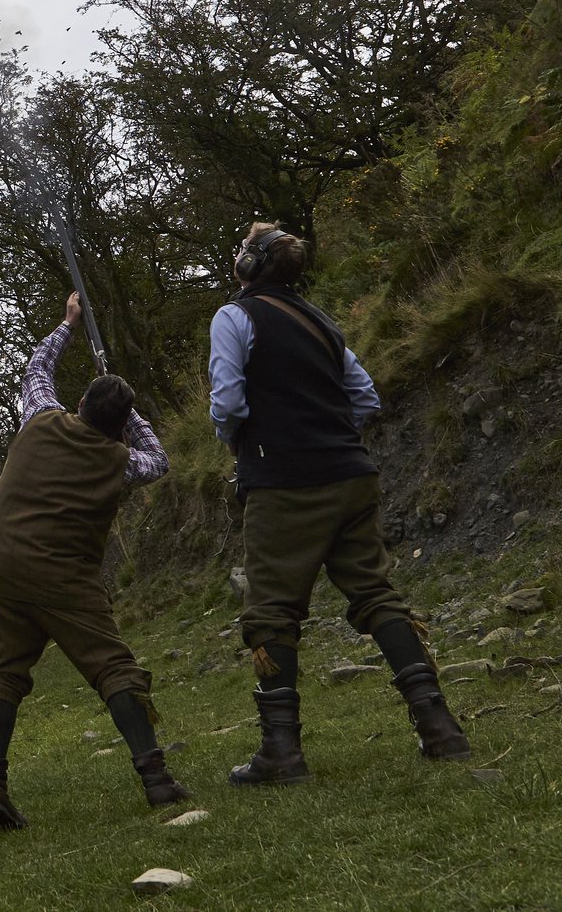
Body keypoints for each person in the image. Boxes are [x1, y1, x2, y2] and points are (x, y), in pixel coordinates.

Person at [212, 222, 471, 784]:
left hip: (283, 480)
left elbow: (228, 400)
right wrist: (329, 435)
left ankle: (282, 754)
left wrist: (236, 440)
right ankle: (440, 730)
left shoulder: (234, 317)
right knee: (377, 595)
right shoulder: (323, 324)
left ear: (252, 265)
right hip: (351, 472)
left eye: (240, 251)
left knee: (271, 610)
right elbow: (365, 397)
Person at [0, 294, 188, 827]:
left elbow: (37, 367)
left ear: (80, 405)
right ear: (117, 425)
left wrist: (69, 325)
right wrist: (130, 411)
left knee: (1, 669)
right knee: (112, 667)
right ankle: (156, 778)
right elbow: (159, 460)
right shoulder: (120, 462)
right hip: (63, 576)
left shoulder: (39, 419)